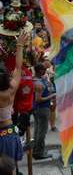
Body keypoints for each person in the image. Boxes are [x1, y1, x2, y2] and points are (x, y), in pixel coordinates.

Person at [0, 32, 28, 173]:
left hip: (5, 135)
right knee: (10, 170)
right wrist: (20, 45)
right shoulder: (11, 90)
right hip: (9, 135)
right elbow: (18, 67)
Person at [32, 63, 56, 160]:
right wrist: (51, 96)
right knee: (42, 131)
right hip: (42, 109)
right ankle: (39, 153)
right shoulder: (38, 83)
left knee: (37, 130)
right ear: (39, 71)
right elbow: (38, 99)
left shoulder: (37, 80)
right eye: (43, 69)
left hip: (38, 109)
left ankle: (36, 150)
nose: (45, 71)